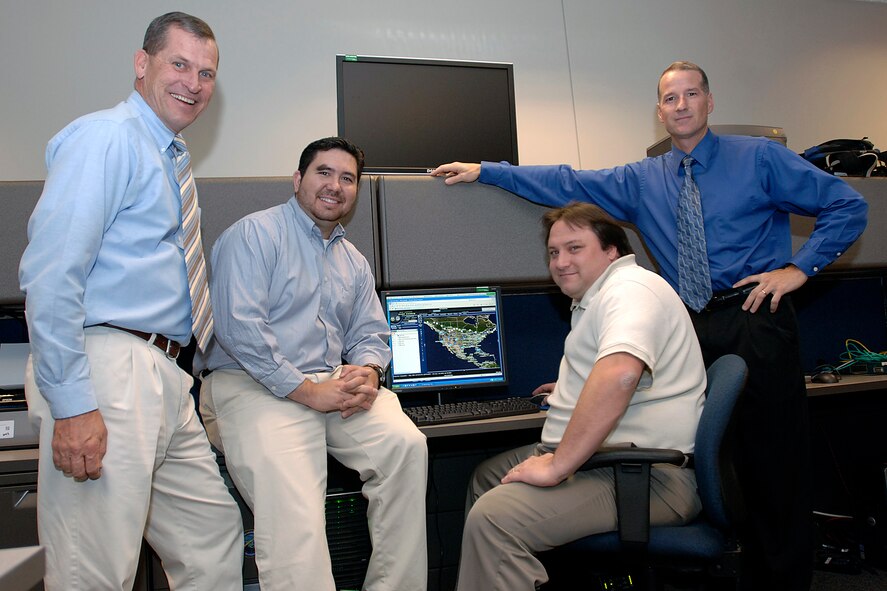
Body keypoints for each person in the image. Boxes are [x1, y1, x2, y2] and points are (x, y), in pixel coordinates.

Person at [432, 61, 869, 590]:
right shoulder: (643, 179)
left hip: (754, 316)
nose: (680, 105)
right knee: (711, 466)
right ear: (659, 111)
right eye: (669, 98)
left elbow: (847, 205)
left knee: (773, 471)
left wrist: (799, 269)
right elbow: (567, 180)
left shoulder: (759, 158)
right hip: (691, 324)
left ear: (709, 102)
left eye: (691, 95)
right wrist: (488, 171)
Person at [19, 12, 243, 591]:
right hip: (111, 369)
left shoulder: (167, 157)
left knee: (212, 540)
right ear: (142, 64)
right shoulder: (108, 137)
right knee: (92, 571)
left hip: (166, 375)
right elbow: (52, 275)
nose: (193, 83)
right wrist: (72, 404)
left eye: (206, 73)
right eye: (179, 64)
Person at [195, 136, 428, 591]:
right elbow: (240, 328)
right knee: (294, 502)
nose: (335, 186)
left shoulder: (353, 260)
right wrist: (306, 391)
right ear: (298, 179)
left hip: (329, 383)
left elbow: (370, 333)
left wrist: (368, 370)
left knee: (406, 447)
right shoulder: (253, 235)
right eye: (324, 173)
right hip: (249, 383)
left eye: (347, 178)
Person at [455, 202, 706, 590]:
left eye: (575, 248)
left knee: (494, 520)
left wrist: (557, 467)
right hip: (611, 462)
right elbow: (622, 370)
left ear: (612, 251)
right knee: (485, 478)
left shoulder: (630, 290)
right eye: (554, 252)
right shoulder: (600, 296)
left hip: (648, 478)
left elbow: (621, 373)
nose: (560, 262)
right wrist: (575, 387)